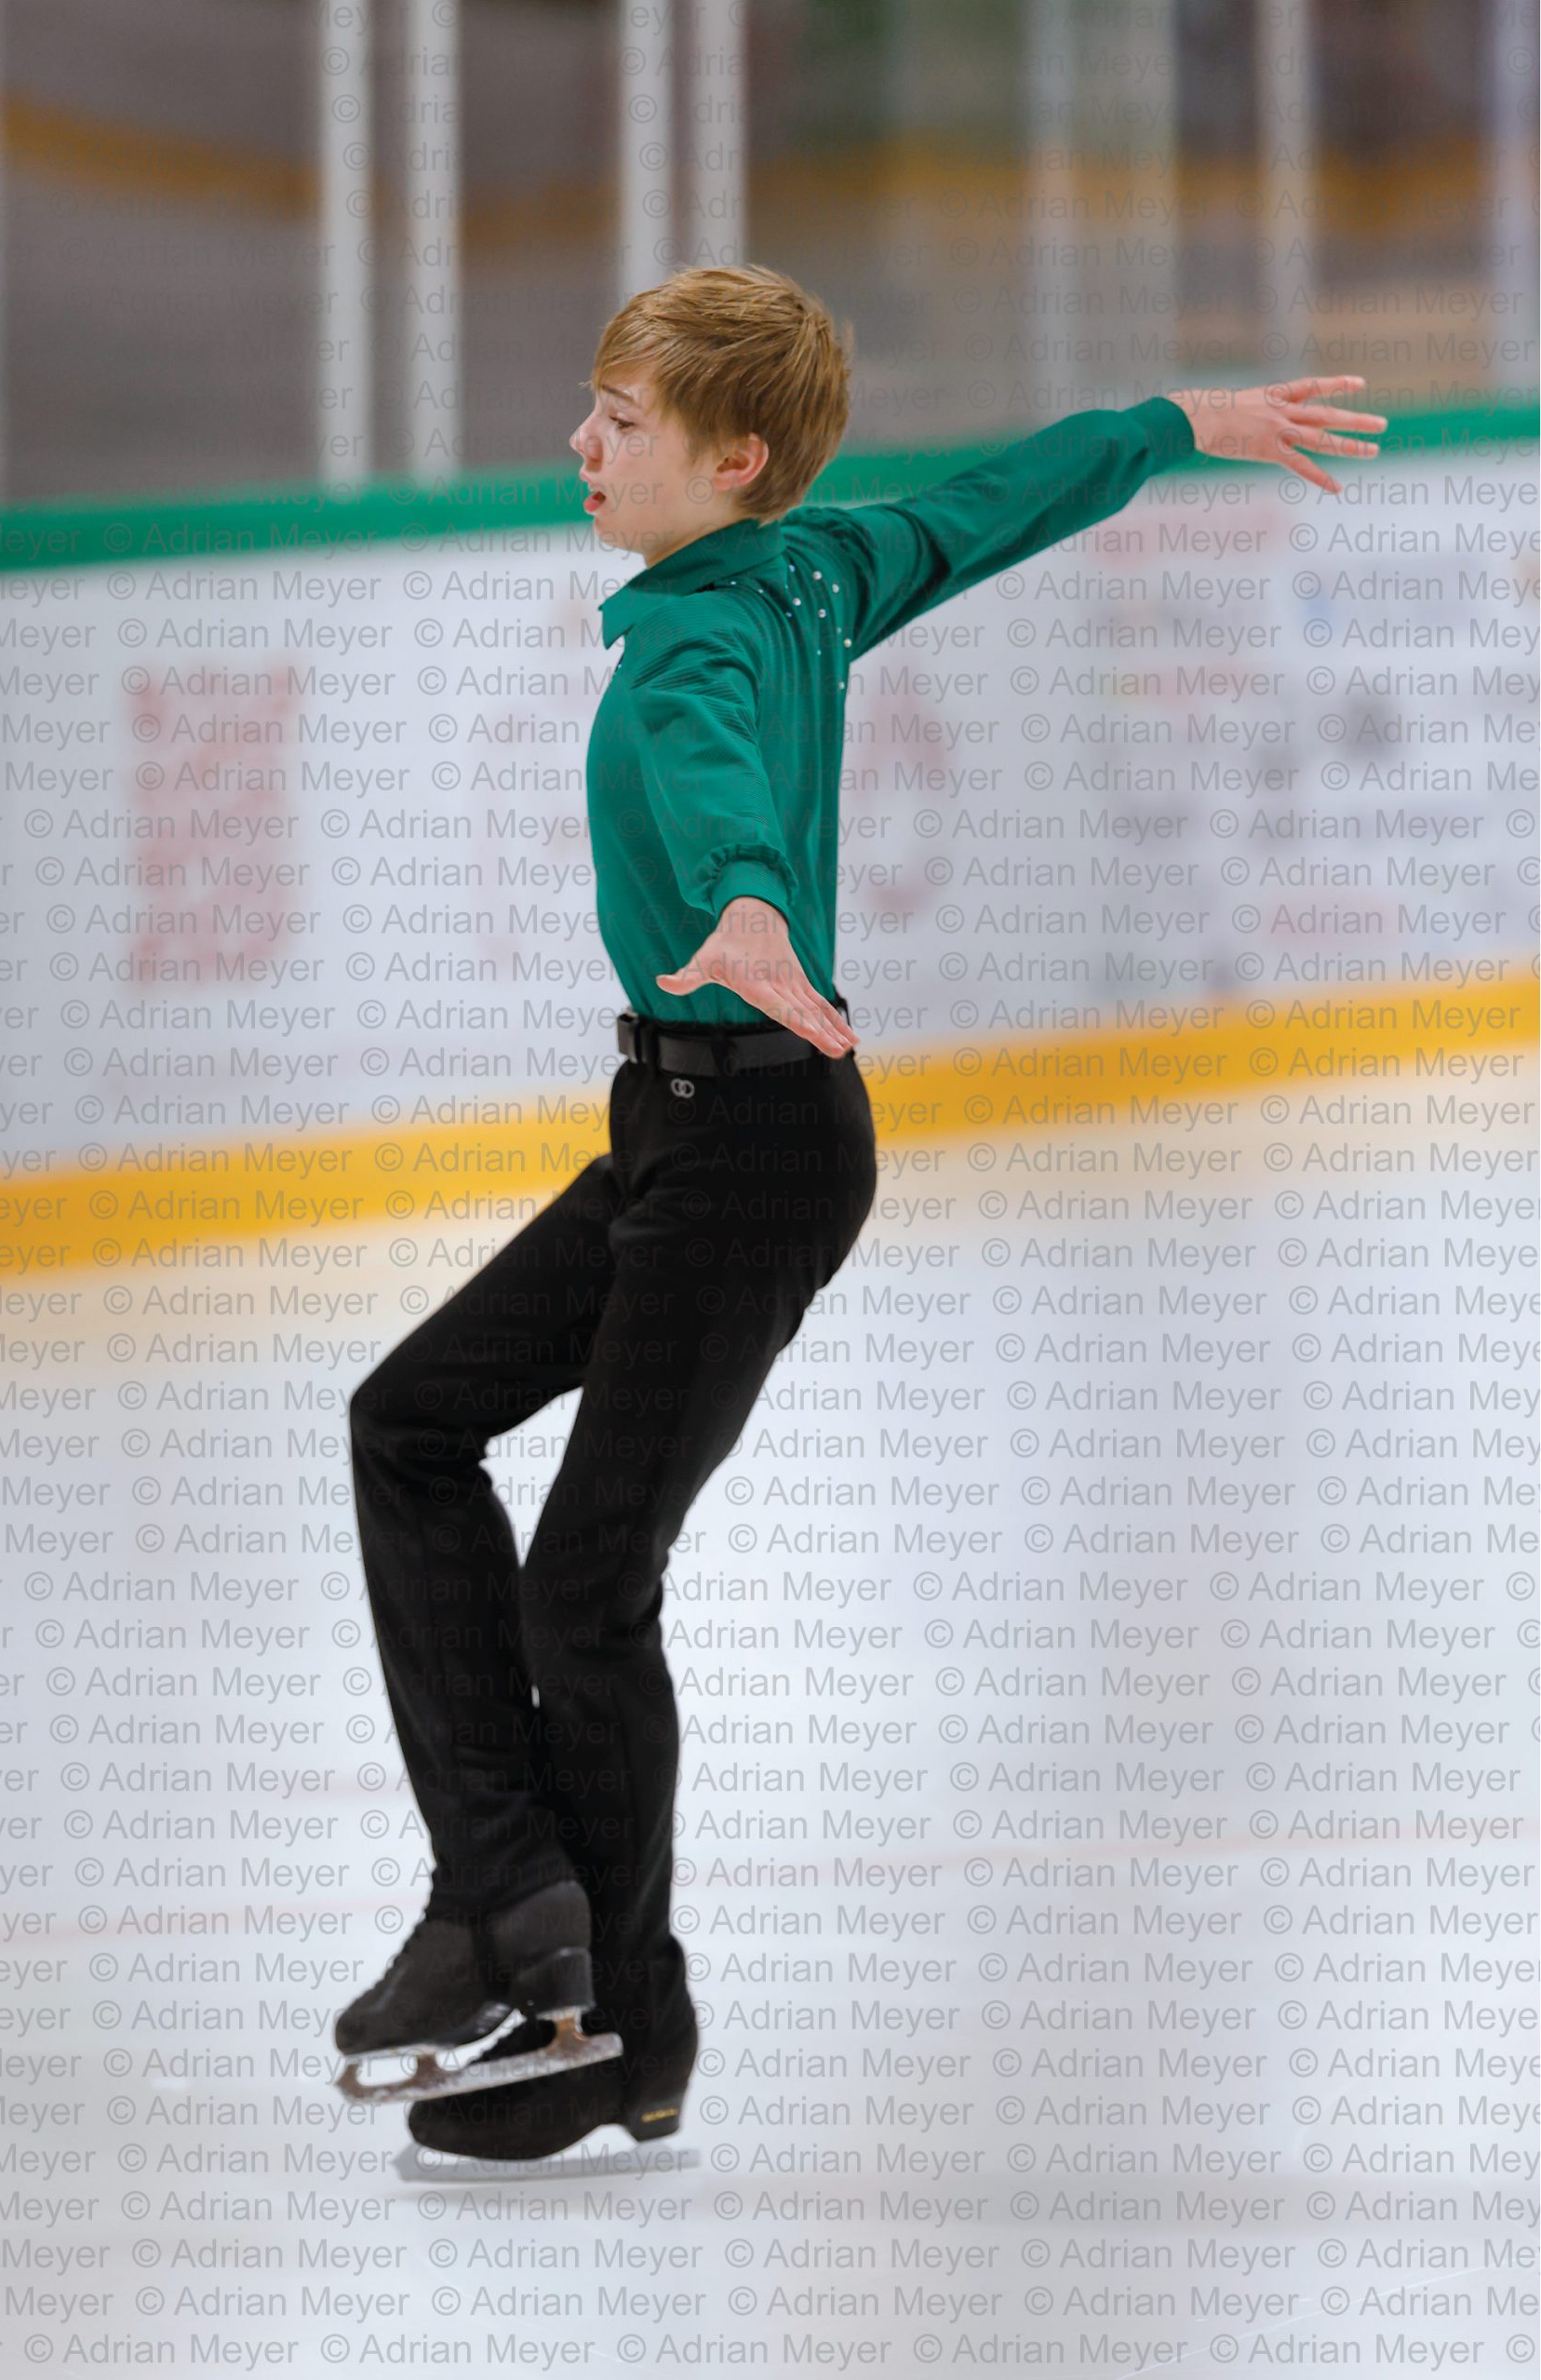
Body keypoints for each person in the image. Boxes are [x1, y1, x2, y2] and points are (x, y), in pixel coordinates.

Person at [341, 262, 1385, 2162]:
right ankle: (500, 1899)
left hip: (747, 1145)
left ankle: (602, 2016)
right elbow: (990, 505)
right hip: (689, 1128)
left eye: (625, 423)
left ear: (734, 458)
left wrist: (744, 899)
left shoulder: (699, 648)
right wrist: (1165, 428)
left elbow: (715, 766)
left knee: (584, 1579)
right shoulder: (816, 566)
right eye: (592, 406)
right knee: (408, 1419)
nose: (581, 444)